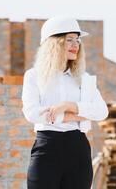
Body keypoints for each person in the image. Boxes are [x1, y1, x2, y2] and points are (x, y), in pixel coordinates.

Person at [21, 16, 109, 189]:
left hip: (78, 149)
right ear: (53, 43)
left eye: (77, 40)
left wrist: (69, 105)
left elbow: (101, 111)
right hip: (47, 147)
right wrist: (73, 116)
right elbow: (31, 113)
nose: (76, 45)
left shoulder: (84, 79)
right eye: (69, 40)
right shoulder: (33, 76)